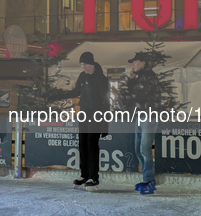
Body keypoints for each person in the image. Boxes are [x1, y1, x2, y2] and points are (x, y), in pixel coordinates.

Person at [57, 52, 110, 189]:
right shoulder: (82, 76)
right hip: (84, 115)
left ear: (91, 63)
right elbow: (76, 93)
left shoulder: (101, 79)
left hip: (96, 116)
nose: (83, 67)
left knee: (92, 144)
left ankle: (94, 177)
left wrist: (105, 125)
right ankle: (84, 174)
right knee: (82, 144)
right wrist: (59, 95)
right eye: (81, 65)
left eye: (85, 64)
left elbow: (106, 102)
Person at [114, 52, 160, 195]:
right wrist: (131, 81)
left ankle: (149, 180)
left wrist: (121, 97)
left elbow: (140, 95)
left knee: (145, 148)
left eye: (135, 62)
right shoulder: (140, 77)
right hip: (140, 115)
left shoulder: (149, 77)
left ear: (143, 62)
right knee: (138, 148)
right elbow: (135, 92)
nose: (133, 65)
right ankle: (147, 177)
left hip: (149, 115)